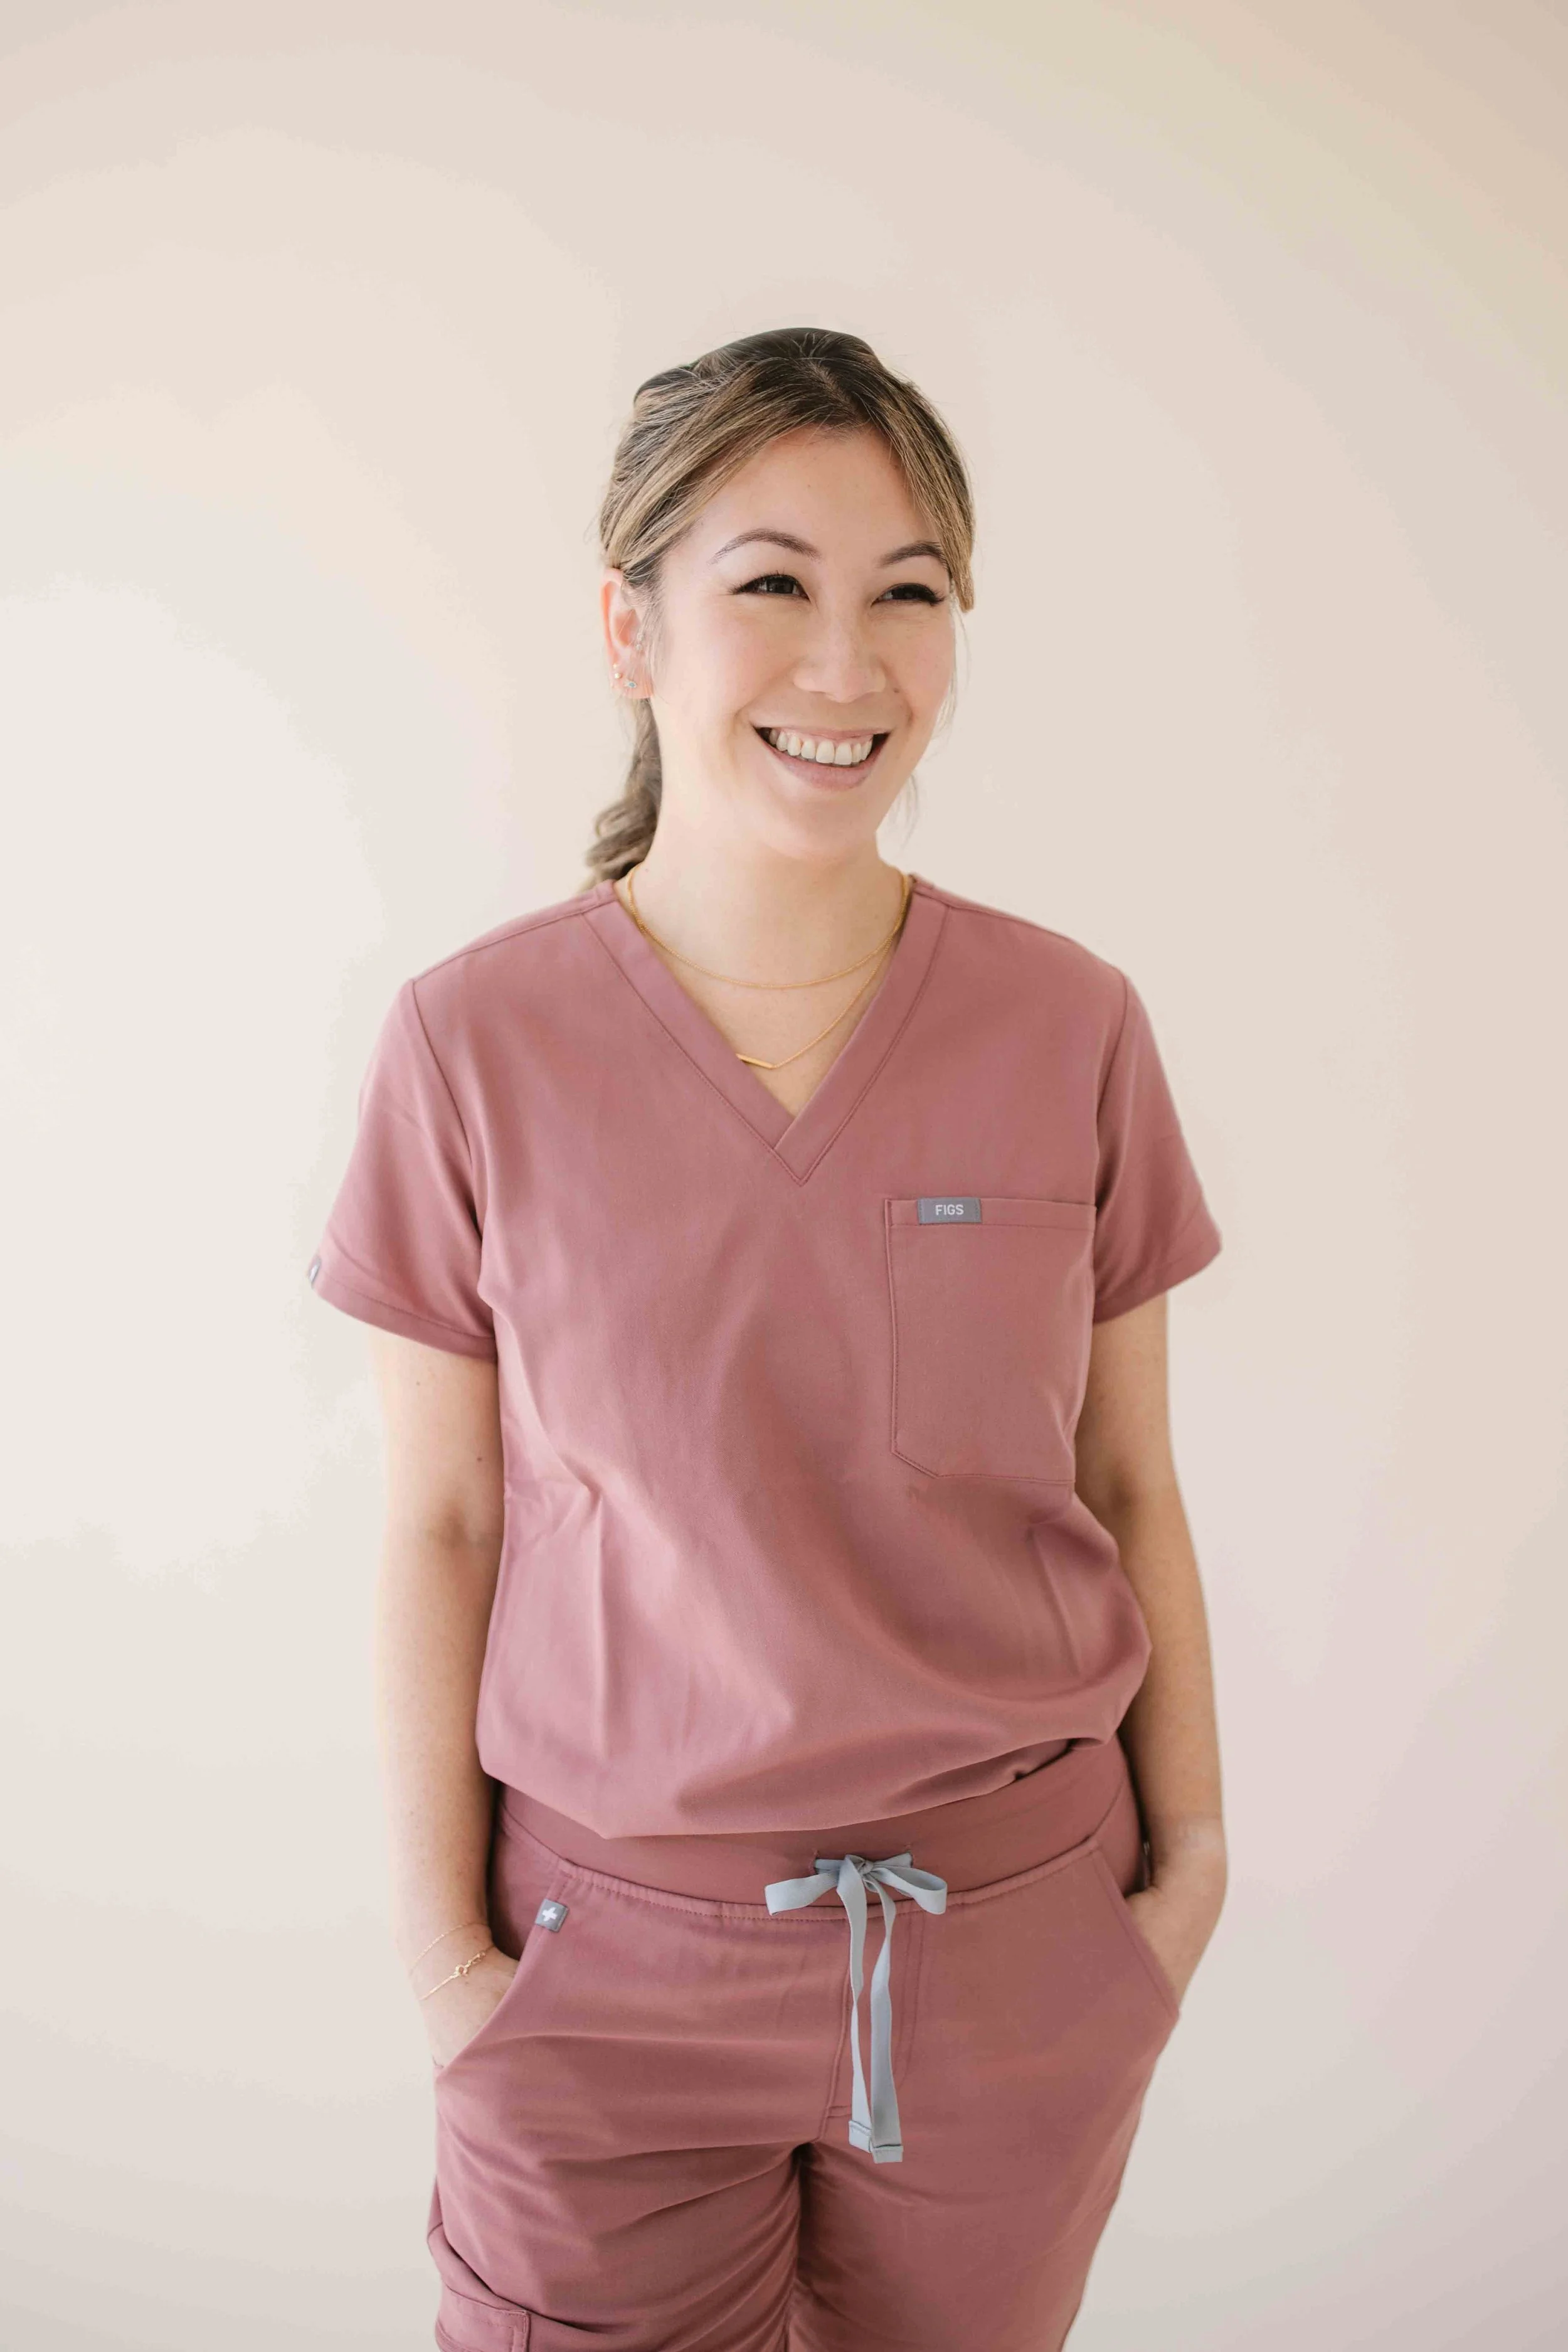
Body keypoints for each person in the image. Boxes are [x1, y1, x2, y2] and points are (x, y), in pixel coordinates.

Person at [308, 326, 1229, 2351]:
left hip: (1011, 1943)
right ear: (630, 629)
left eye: (909, 592)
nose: (848, 666)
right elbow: (443, 1523)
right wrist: (452, 1960)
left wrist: (1184, 1880)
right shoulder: (475, 1048)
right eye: (772, 586)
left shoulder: (1067, 1025)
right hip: (601, 1968)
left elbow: (1129, 1477)